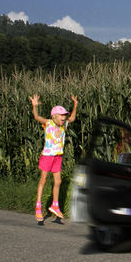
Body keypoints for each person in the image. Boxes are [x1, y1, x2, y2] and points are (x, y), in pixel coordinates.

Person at [30, 94, 78, 225]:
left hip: (58, 156)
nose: (64, 118)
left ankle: (55, 205)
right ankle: (38, 206)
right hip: (47, 156)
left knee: (58, 181)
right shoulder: (49, 123)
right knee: (43, 180)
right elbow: (36, 117)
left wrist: (75, 105)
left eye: (64, 115)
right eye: (61, 115)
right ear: (54, 116)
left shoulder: (64, 125)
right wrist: (34, 106)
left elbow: (72, 117)